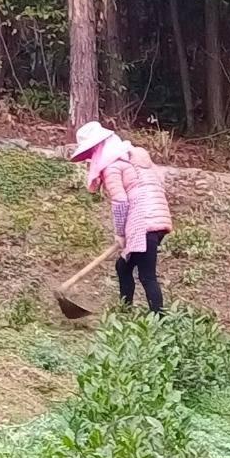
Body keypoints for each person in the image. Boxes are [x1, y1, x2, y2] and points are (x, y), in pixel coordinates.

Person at [70, 120, 171, 314]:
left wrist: (120, 233)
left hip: (142, 221)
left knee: (147, 275)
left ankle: (161, 321)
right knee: (123, 267)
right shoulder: (133, 157)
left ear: (98, 148)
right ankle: (125, 312)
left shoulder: (113, 165)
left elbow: (120, 202)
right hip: (158, 218)